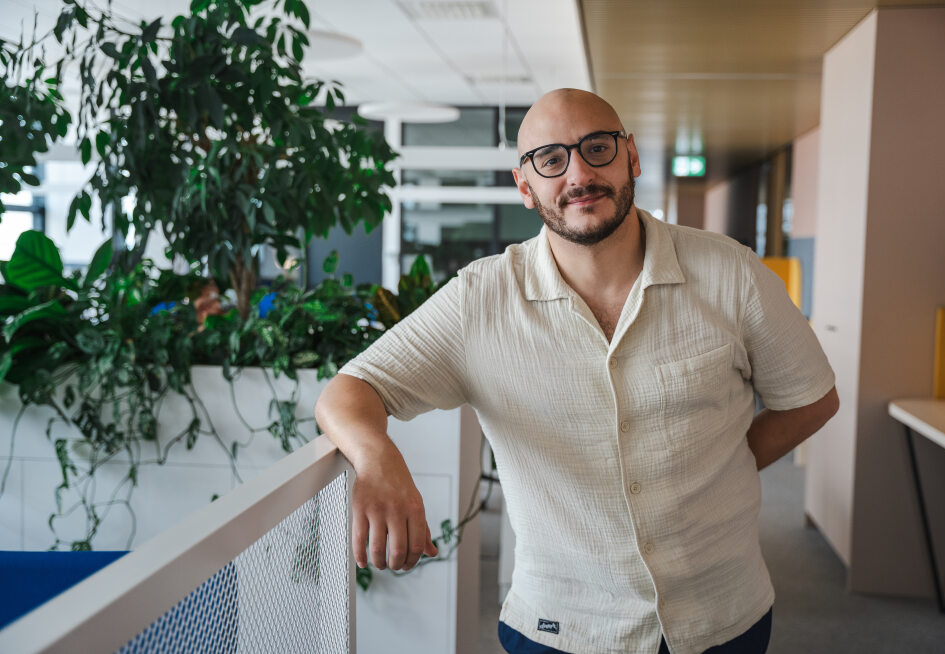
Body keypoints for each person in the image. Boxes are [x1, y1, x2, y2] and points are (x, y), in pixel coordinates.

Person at [315, 88, 839, 654]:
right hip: (561, 627)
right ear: (525, 186)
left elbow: (811, 397)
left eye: (597, 147)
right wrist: (378, 459)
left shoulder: (731, 273)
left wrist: (721, 467)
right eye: (551, 159)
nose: (579, 173)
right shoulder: (481, 298)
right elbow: (349, 390)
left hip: (721, 614)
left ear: (631, 157)